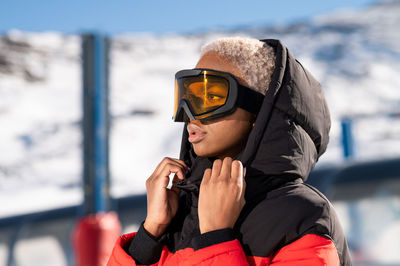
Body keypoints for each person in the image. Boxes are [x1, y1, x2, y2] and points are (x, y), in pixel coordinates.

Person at [107, 37, 352, 265]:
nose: (190, 114)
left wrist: (216, 237)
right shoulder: (180, 211)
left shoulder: (300, 217)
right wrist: (149, 234)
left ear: (259, 112)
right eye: (186, 97)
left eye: (210, 96)